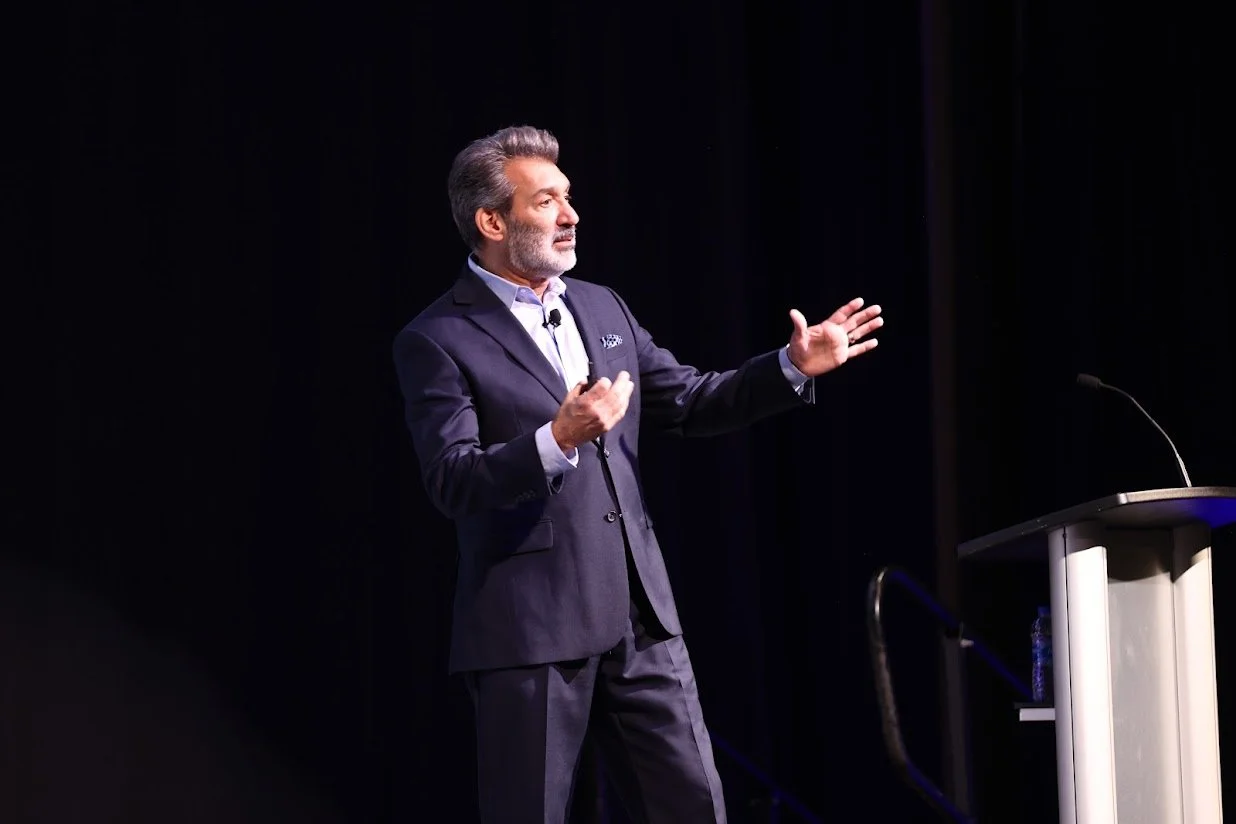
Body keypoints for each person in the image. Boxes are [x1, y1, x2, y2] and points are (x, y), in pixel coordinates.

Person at [393, 125, 883, 824]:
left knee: (694, 808)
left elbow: (690, 401)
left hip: (641, 621)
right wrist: (556, 439)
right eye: (546, 202)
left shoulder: (601, 306)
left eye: (568, 197)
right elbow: (453, 479)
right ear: (492, 222)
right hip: (531, 630)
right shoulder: (438, 337)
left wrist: (789, 367)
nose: (570, 215)